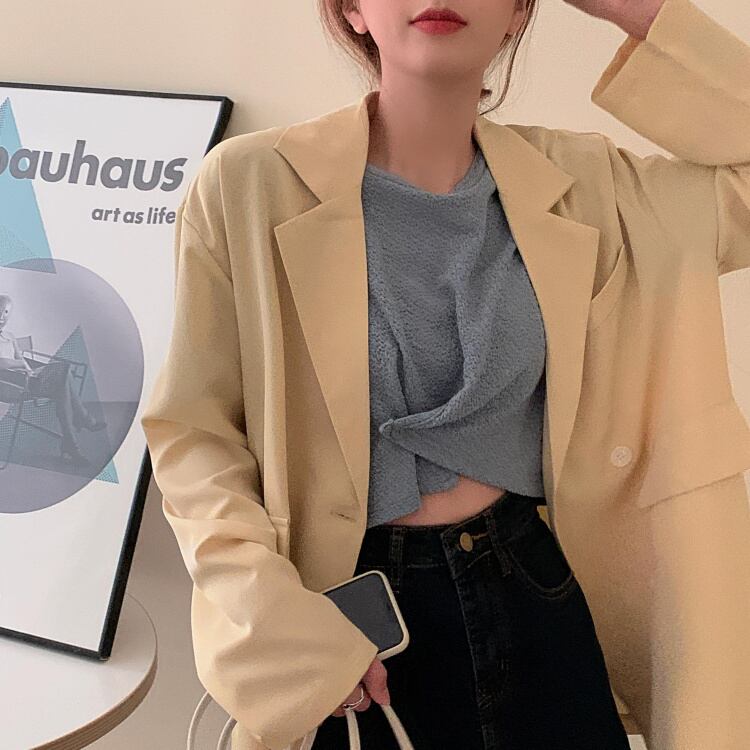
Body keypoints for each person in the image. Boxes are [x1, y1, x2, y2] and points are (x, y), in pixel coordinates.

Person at [141, 0, 750, 748]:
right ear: (353, 10)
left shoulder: (590, 186)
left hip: (537, 594)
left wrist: (636, 9)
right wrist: (275, 621)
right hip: (350, 630)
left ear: (517, 11)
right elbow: (197, 435)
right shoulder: (248, 185)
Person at [0, 293, 106, 466]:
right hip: (10, 385)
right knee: (64, 372)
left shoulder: (10, 336)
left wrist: (30, 369)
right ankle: (82, 420)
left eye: (5, 312)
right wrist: (21, 365)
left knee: (62, 383)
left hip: (28, 379)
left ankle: (71, 441)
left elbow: (21, 358)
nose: (1, 316)